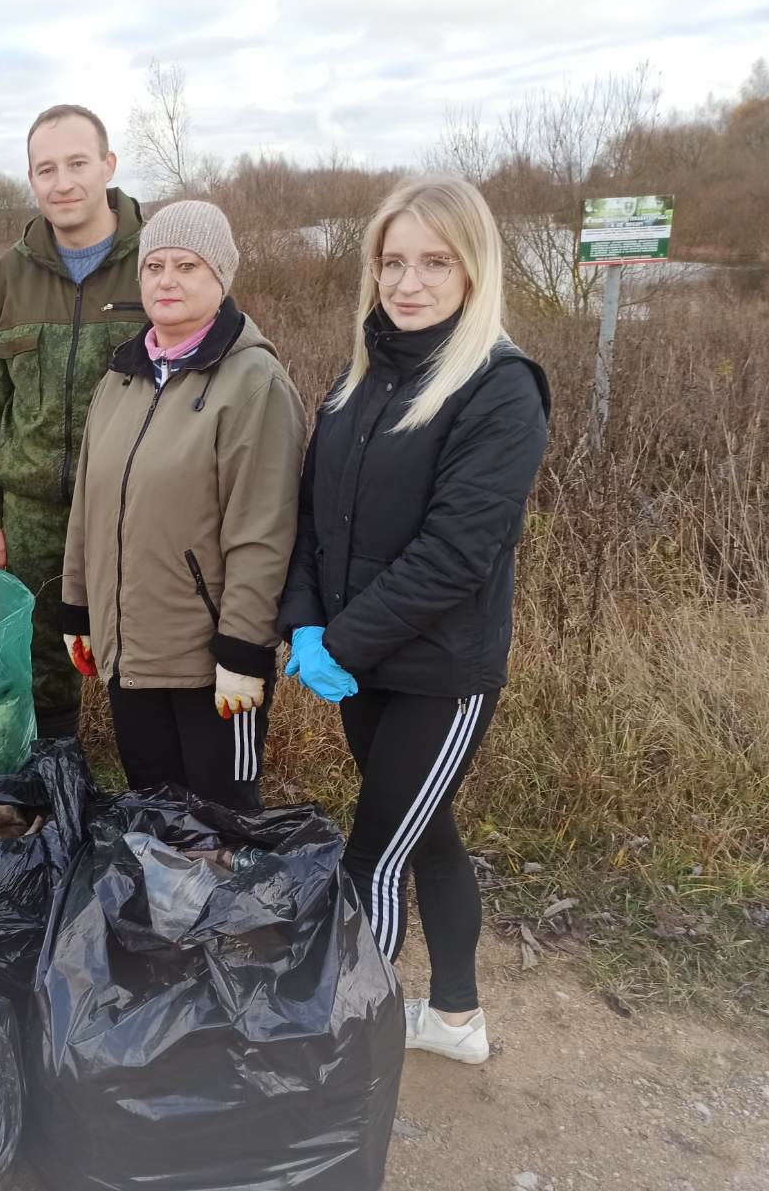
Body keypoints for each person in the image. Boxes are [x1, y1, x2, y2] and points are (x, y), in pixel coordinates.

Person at [277, 175, 550, 1065]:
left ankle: (344, 1056)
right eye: (393, 261)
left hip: (439, 669)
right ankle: (459, 1019)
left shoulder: (500, 389)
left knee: (375, 856)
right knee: (424, 831)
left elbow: (455, 552)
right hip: (358, 665)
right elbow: (314, 523)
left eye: (435, 261)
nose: (410, 281)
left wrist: (344, 638)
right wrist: (308, 626)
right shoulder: (356, 382)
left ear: (473, 268)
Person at [61, 201, 304, 809]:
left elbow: (263, 531)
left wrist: (245, 651)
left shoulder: (254, 383)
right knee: (155, 820)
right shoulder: (121, 378)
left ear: (221, 277)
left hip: (212, 668)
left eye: (188, 266)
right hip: (128, 654)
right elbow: (87, 506)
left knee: (222, 827)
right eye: (155, 266)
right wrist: (77, 609)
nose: (167, 280)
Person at [0, 104, 147, 739]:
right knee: (43, 658)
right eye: (47, 169)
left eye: (77, 163)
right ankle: (58, 773)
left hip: (132, 504)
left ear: (108, 165)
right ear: (32, 179)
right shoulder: (10, 275)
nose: (63, 182)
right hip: (32, 509)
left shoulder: (157, 259)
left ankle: (155, 787)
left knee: (141, 646)